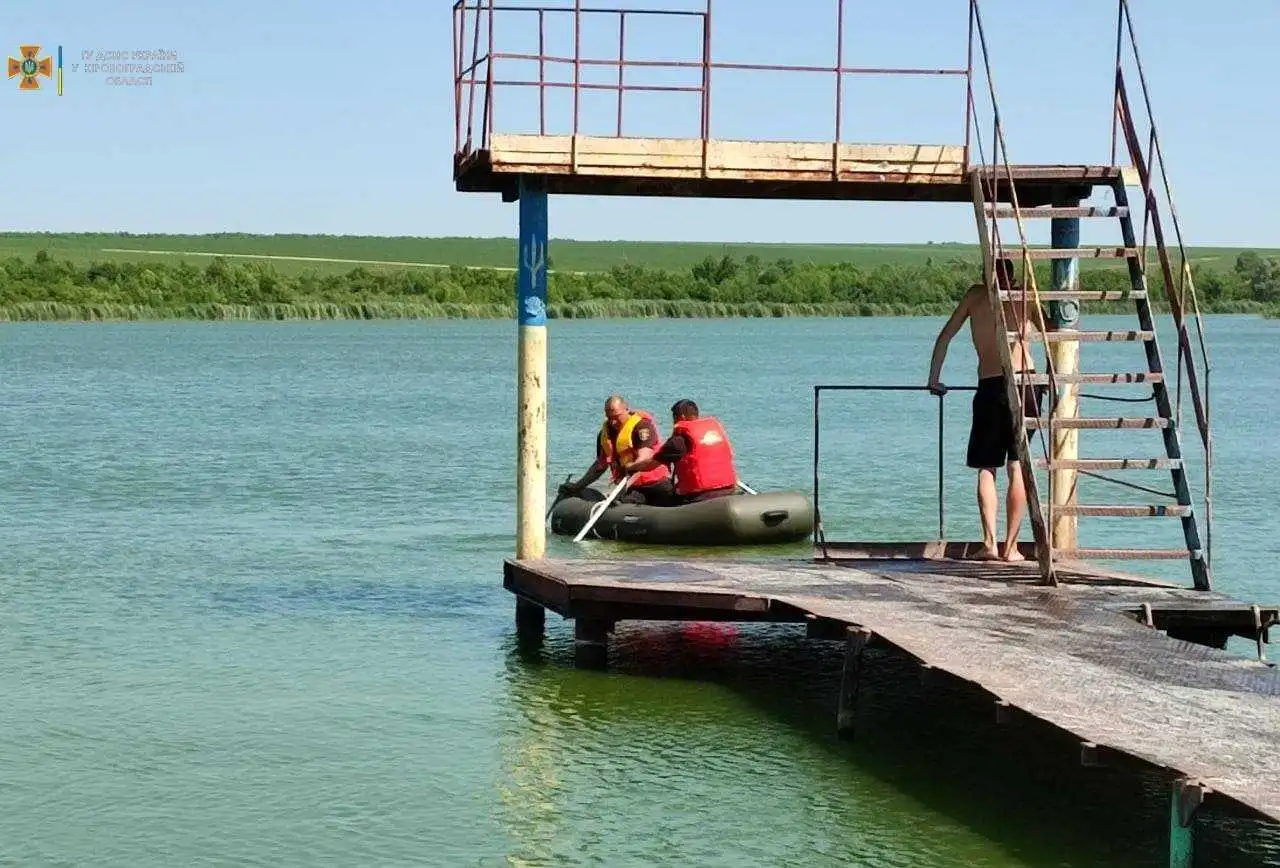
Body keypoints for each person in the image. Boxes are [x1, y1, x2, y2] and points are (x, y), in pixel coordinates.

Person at [926, 259, 1051, 562]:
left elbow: (945, 336)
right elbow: (1052, 336)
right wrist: (1052, 377)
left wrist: (933, 378)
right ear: (1012, 276)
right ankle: (1012, 548)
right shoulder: (1025, 295)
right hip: (1026, 384)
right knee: (1017, 465)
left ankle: (990, 544)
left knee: (987, 467)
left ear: (986, 276)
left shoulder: (976, 296)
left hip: (991, 385)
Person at [561, 395, 675, 506]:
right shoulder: (606, 434)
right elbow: (600, 466)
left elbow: (645, 457)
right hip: (633, 487)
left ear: (627, 409)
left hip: (657, 482)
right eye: (609, 418)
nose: (613, 422)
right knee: (618, 506)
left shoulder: (642, 427)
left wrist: (631, 466)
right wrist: (578, 486)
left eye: (616, 417)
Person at [623, 399, 740, 504]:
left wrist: (631, 466)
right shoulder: (715, 433)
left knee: (663, 500)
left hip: (700, 496)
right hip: (728, 489)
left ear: (682, 416)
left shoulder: (679, 440)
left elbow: (651, 464)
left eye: (674, 417)